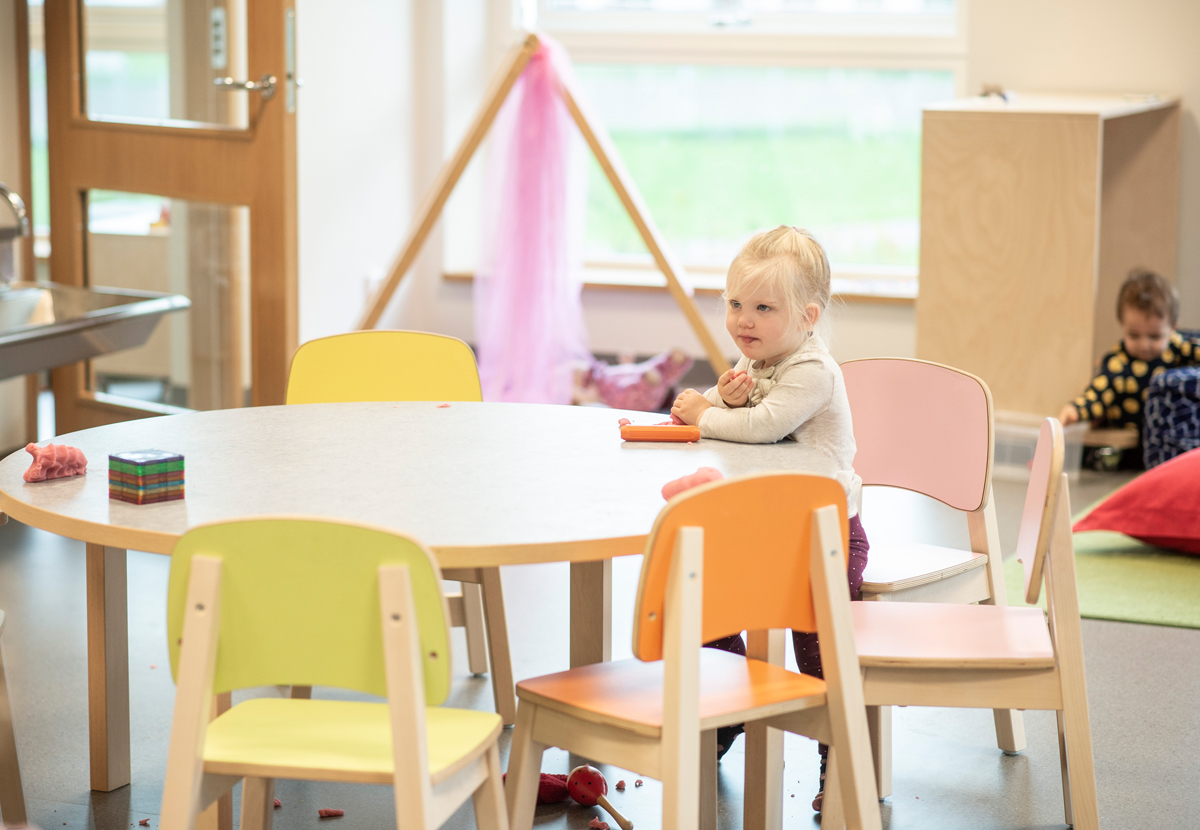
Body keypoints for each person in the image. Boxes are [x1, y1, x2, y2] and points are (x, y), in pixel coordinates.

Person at [671, 225, 865, 812]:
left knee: (818, 644)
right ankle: (730, 703)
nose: (743, 320)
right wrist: (722, 398)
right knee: (707, 597)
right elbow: (742, 407)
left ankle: (839, 757)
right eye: (735, 303)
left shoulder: (812, 370)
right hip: (766, 527)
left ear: (807, 317)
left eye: (762, 308)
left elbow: (762, 427)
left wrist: (706, 414)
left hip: (825, 534)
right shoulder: (758, 358)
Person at [1059, 269, 1200, 467]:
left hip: (1171, 440)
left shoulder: (1179, 346)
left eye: (1155, 337)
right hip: (1131, 447)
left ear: (1173, 328)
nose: (1144, 345)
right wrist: (1076, 409)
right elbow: (1098, 393)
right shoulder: (1118, 363)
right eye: (1134, 335)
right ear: (1122, 325)